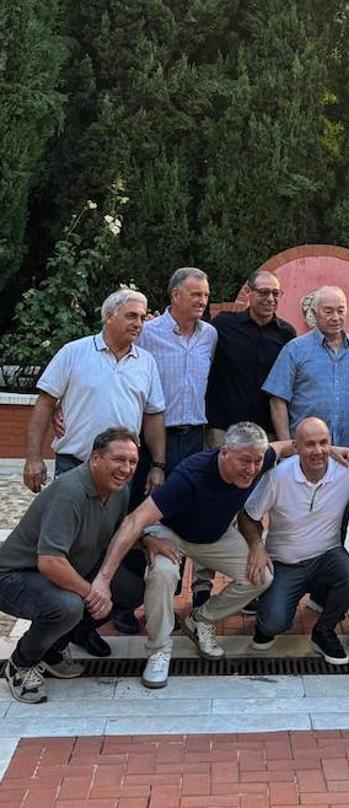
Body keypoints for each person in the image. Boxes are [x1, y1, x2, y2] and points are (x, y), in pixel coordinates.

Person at [92, 423, 315, 689]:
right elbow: (134, 521)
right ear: (224, 453)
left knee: (261, 576)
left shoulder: (260, 456)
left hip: (215, 536)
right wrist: (104, 579)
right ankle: (159, 650)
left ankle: (200, 620)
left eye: (257, 462)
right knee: (163, 574)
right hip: (171, 533)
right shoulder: (190, 476)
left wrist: (332, 450)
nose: (252, 469)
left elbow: (287, 446)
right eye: (245, 461)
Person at [0, 428, 145, 704]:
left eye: (132, 462)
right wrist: (93, 592)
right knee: (68, 607)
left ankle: (53, 649)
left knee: (131, 590)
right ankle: (21, 664)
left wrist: (149, 542)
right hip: (15, 576)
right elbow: (50, 562)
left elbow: (116, 536)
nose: (126, 468)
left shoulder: (119, 491)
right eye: (118, 459)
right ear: (95, 459)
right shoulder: (70, 491)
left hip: (66, 568)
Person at [241, 418, 349, 665]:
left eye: (324, 443)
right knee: (273, 623)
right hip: (285, 563)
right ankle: (270, 610)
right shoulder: (278, 477)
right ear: (295, 447)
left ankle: (323, 631)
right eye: (310, 445)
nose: (318, 451)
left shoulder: (347, 468)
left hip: (326, 556)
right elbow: (248, 515)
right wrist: (257, 545)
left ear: (331, 444)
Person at [23, 288, 166, 493]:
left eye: (142, 318)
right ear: (109, 316)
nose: (139, 324)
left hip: (121, 471)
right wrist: (33, 458)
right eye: (131, 316)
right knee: (66, 524)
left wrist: (158, 466)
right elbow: (44, 404)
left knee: (114, 527)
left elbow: (154, 416)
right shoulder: (73, 353)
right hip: (74, 465)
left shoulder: (147, 363)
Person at [133, 268, 218, 486]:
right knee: (146, 502)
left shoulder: (210, 335)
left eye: (206, 295)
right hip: (154, 436)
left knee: (186, 507)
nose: (202, 301)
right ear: (176, 295)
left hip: (194, 438)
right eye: (196, 294)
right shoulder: (146, 333)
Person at [264, 286, 349, 449]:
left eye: (340, 311)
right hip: (305, 451)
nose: (335, 317)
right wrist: (287, 445)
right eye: (328, 311)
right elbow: (277, 399)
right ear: (314, 313)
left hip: (348, 450)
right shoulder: (295, 349)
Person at [205, 269, 296, 446]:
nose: (270, 298)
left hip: (267, 433)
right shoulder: (223, 325)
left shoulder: (286, 334)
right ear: (249, 292)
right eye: (263, 292)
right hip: (223, 430)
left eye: (275, 293)